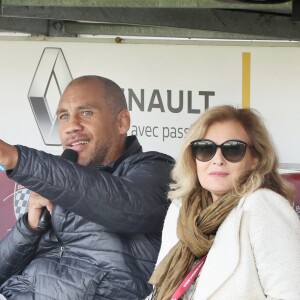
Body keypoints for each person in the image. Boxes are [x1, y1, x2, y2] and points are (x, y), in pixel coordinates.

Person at [0, 75, 175, 299]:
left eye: (86, 113)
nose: (71, 126)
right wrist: (30, 227)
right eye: (64, 116)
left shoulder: (156, 168)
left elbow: (127, 206)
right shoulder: (57, 177)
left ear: (122, 122)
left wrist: (15, 159)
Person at [148, 105, 300, 300]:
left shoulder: (262, 205)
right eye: (205, 149)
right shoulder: (182, 210)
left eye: (233, 149)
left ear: (255, 159)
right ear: (193, 157)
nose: (218, 159)